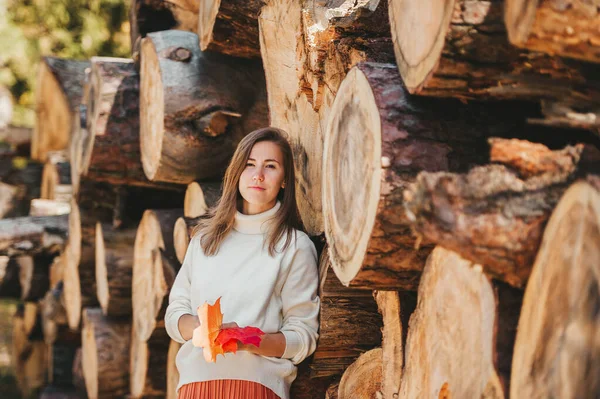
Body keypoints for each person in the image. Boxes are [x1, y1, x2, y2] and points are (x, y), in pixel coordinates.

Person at [165, 127, 320, 399]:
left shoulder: (294, 246)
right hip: (194, 387)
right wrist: (202, 331)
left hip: (257, 387)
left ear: (285, 179)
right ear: (236, 172)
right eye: (249, 165)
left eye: (270, 166)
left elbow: (302, 337)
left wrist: (248, 340)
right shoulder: (203, 240)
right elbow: (174, 314)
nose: (258, 175)